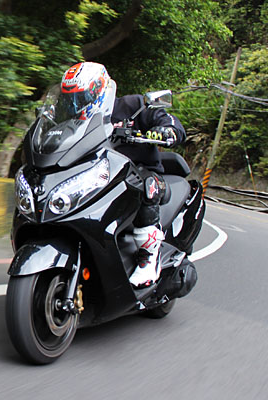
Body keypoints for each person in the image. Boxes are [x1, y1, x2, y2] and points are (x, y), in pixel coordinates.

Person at [59, 62, 186, 288]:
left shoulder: (133, 105)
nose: (77, 103)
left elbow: (167, 121)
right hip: (97, 175)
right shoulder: (70, 118)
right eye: (72, 98)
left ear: (100, 89)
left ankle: (149, 257)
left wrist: (166, 130)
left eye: (82, 96)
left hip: (140, 172)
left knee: (146, 185)